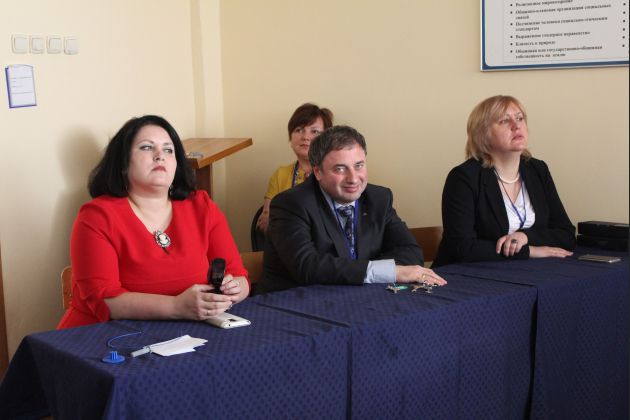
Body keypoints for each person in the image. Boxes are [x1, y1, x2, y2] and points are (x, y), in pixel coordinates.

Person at [57, 115, 249, 329]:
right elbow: (105, 300)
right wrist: (176, 307)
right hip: (101, 335)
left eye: (168, 150)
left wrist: (233, 290)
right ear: (123, 162)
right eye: (147, 147)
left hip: (186, 333)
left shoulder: (202, 206)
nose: (160, 156)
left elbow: (240, 277)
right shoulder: (97, 216)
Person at [257, 125, 446, 293]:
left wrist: (365, 272)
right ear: (318, 172)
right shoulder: (291, 203)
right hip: (294, 304)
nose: (353, 178)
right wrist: (384, 271)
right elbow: (307, 267)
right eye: (340, 169)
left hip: (358, 299)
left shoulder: (379, 198)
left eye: (359, 165)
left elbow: (411, 252)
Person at [433, 95, 576, 267]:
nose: (516, 126)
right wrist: (530, 251)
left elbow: (566, 234)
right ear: (482, 134)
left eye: (520, 118)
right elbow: (462, 248)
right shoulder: (464, 177)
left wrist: (525, 237)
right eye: (504, 121)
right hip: (466, 274)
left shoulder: (537, 170)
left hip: (525, 271)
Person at [256, 103, 334, 233]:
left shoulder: (335, 174)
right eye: (299, 130)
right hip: (287, 242)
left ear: (327, 139)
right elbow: (266, 222)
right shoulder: (280, 175)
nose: (305, 137)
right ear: (290, 138)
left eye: (314, 131)